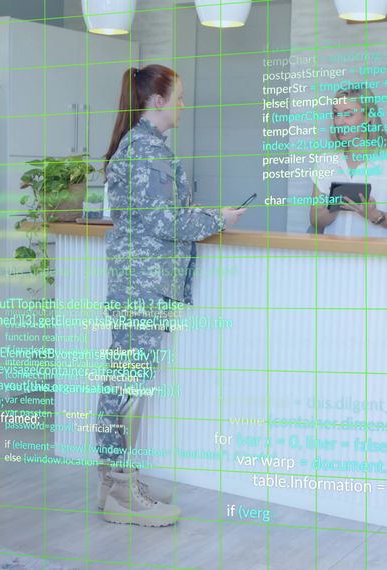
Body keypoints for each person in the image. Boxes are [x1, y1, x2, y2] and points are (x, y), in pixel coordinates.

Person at [94, 64, 246, 527]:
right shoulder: (147, 153)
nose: (183, 104)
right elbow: (166, 223)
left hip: (141, 283)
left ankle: (117, 487)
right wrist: (217, 218)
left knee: (124, 385)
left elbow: (156, 217)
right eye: (178, 96)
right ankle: (121, 492)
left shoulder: (143, 149)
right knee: (126, 388)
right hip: (144, 285)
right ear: (156, 100)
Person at [308, 87, 387, 237]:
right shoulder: (326, 161)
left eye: (348, 115)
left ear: (368, 117)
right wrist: (333, 207)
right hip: (334, 256)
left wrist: (374, 214)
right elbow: (315, 221)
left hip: (376, 257)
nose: (339, 122)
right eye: (336, 114)